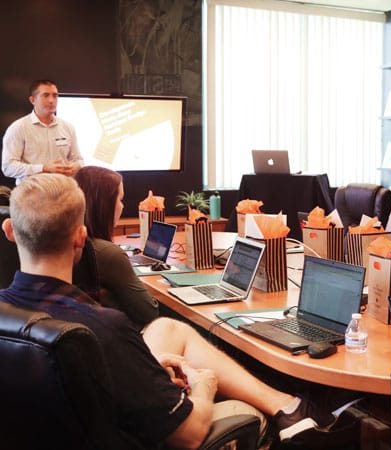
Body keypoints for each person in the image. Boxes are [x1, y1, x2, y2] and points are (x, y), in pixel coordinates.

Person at [0, 173, 352, 449]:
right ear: (80, 237)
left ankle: (289, 404)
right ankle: (290, 412)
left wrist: (147, 370)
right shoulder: (103, 327)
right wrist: (203, 384)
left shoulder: (9, 311)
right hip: (140, 435)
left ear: (9, 231)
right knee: (243, 413)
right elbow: (188, 434)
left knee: (169, 328)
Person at [74, 165, 159, 328]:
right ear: (104, 205)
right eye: (120, 200)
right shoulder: (107, 253)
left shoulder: (72, 244)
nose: (123, 206)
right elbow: (149, 312)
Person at [1, 79, 84, 184]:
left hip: (63, 191)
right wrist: (43, 168)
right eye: (45, 95)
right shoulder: (18, 128)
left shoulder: (67, 127)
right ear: (33, 100)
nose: (51, 100)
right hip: (31, 193)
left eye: (55, 95)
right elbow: (8, 167)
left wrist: (75, 166)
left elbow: (79, 160)